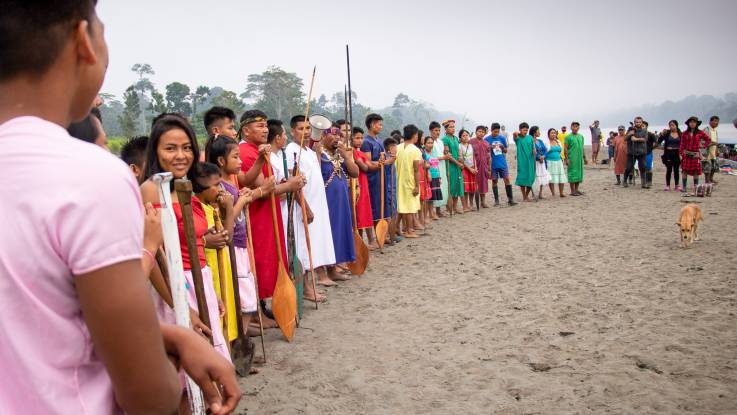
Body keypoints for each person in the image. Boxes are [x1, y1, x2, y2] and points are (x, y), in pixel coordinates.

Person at [0, 2, 239, 413]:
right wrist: (169, 367)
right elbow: (146, 394)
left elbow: (39, 322)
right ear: (83, 42)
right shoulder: (90, 177)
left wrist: (168, 335)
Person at [140, 114, 233, 361]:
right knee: (185, 370)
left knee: (210, 361)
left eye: (187, 147)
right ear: (156, 151)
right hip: (172, 287)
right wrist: (180, 305)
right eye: (170, 148)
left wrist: (212, 291)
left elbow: (194, 245)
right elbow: (155, 260)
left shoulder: (185, 184)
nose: (181, 155)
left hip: (199, 281)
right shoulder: (151, 189)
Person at [238, 110, 305, 308]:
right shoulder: (246, 152)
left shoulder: (259, 149)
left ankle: (268, 303)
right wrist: (290, 185)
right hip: (258, 216)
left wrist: (288, 183)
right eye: (260, 126)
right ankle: (259, 305)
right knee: (262, 259)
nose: (265, 130)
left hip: (270, 212)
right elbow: (264, 188)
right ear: (246, 130)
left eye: (266, 125)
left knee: (272, 258)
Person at [205, 135, 261, 332]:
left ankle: (241, 336)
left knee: (246, 291)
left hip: (240, 244)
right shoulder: (218, 188)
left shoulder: (229, 182)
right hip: (232, 247)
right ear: (221, 161)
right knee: (243, 295)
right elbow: (225, 217)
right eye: (236, 157)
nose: (240, 161)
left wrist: (242, 196)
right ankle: (239, 339)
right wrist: (242, 202)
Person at [285, 115, 335, 292]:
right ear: (292, 131)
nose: (306, 132)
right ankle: (305, 289)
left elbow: (317, 176)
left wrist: (319, 154)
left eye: (308, 128)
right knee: (303, 246)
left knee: (312, 245)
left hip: (316, 204)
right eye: (301, 128)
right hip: (302, 208)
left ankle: (310, 286)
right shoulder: (291, 151)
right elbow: (294, 183)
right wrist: (305, 207)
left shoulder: (310, 151)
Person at [319, 127, 359, 278]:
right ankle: (329, 268)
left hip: (342, 200)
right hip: (327, 200)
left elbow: (355, 173)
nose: (337, 139)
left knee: (341, 230)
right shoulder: (320, 154)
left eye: (339, 136)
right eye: (333, 135)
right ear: (323, 135)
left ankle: (337, 264)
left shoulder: (339, 154)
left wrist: (347, 157)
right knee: (330, 231)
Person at [361, 113, 393, 242]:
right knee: (376, 206)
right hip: (373, 179)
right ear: (372, 124)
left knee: (383, 205)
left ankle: (383, 235)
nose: (381, 126)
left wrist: (388, 160)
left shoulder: (379, 141)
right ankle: (375, 237)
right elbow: (368, 162)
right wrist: (384, 162)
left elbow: (383, 159)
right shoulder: (366, 142)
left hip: (382, 177)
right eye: (379, 124)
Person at [395, 124, 423, 237]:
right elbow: (416, 170)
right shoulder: (415, 150)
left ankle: (397, 227)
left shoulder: (397, 147)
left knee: (402, 205)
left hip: (398, 180)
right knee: (410, 207)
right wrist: (417, 185)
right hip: (409, 180)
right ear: (414, 135)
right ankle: (409, 230)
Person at [351, 127, 376, 247]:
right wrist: (374, 165)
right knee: (359, 213)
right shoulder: (352, 152)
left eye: (361, 138)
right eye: (357, 138)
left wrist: (381, 163)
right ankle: (360, 242)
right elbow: (365, 167)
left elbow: (370, 164)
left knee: (365, 211)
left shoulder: (360, 153)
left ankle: (371, 240)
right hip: (357, 185)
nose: (360, 140)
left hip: (364, 185)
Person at [486, 123, 517, 206]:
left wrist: (503, 147)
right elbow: (485, 152)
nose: (496, 133)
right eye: (495, 132)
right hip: (493, 163)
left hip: (502, 162)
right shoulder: (487, 139)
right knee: (494, 181)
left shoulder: (502, 138)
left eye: (498, 132)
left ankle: (510, 199)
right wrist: (490, 148)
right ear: (491, 130)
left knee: (507, 179)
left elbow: (506, 150)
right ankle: (496, 201)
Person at [679, 116, 709, 195]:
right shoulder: (684, 133)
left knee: (696, 171)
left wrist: (703, 146)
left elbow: (708, 140)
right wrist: (681, 153)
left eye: (694, 122)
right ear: (688, 123)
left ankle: (696, 188)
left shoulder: (700, 133)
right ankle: (684, 187)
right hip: (686, 154)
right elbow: (682, 144)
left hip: (695, 154)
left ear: (696, 124)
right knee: (684, 171)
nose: (692, 124)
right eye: (691, 122)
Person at [441, 120, 465, 213]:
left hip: (458, 165)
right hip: (450, 165)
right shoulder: (445, 139)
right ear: (446, 129)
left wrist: (461, 159)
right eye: (450, 127)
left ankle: (455, 206)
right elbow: (448, 154)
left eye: (454, 127)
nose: (453, 129)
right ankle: (449, 207)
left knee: (458, 185)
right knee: (451, 186)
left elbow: (458, 151)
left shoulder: (455, 138)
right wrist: (457, 163)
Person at [429, 121, 449, 216]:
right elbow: (430, 157)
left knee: (442, 187)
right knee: (435, 188)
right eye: (435, 130)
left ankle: (438, 210)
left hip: (442, 167)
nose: (437, 132)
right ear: (431, 131)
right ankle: (432, 212)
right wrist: (443, 157)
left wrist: (446, 155)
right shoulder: (429, 142)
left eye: (439, 130)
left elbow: (442, 154)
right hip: (434, 168)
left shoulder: (440, 142)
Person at [623, 117, 649, 188]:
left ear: (642, 123)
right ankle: (625, 181)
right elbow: (625, 139)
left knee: (643, 167)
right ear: (634, 123)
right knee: (629, 167)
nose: (638, 123)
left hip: (642, 152)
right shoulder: (630, 129)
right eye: (636, 122)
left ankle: (643, 183)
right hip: (632, 152)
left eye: (639, 122)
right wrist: (629, 134)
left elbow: (645, 139)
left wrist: (636, 139)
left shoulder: (644, 130)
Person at [513, 122, 535, 201]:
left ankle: (526, 195)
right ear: (520, 130)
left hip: (531, 160)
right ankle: (524, 196)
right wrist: (517, 133)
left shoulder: (530, 137)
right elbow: (514, 135)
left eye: (526, 130)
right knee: (522, 177)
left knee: (531, 177)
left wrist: (534, 150)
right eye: (524, 130)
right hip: (522, 161)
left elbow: (533, 147)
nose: (525, 131)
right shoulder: (518, 138)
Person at [470, 125, 491, 208]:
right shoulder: (470, 142)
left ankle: (483, 202)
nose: (481, 133)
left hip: (484, 167)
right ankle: (471, 204)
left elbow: (489, 157)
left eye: (483, 132)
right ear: (476, 132)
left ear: (485, 133)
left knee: (483, 184)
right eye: (479, 131)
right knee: (473, 185)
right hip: (474, 167)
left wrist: (489, 168)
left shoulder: (486, 143)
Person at [658, 120, 682, 191]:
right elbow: (659, 141)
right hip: (668, 153)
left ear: (676, 125)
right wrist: (662, 134)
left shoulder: (680, 134)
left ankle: (677, 185)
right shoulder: (667, 133)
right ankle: (667, 185)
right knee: (669, 169)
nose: (671, 126)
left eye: (673, 125)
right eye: (670, 125)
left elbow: (683, 143)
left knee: (676, 170)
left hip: (677, 153)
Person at [423, 135, 442, 220]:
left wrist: (439, 176)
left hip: (436, 175)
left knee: (433, 196)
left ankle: (431, 212)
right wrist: (428, 174)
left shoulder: (434, 152)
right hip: (428, 176)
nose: (430, 144)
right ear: (424, 144)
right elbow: (425, 165)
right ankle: (427, 214)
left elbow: (437, 164)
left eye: (432, 143)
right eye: (428, 143)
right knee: (428, 196)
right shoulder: (423, 153)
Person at [565, 121, 587, 196]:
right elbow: (565, 148)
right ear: (571, 127)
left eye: (576, 126)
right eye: (573, 126)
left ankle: (577, 190)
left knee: (579, 173)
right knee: (572, 173)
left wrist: (585, 157)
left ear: (578, 128)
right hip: (572, 158)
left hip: (579, 158)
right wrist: (566, 158)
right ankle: (572, 191)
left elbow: (582, 147)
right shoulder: (568, 137)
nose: (575, 128)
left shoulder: (581, 136)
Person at [531, 126, 552, 199]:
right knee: (535, 177)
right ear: (534, 132)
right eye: (538, 131)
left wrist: (543, 156)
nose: (539, 132)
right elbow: (531, 151)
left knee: (542, 177)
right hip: (535, 162)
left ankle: (540, 193)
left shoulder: (540, 141)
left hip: (542, 161)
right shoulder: (530, 141)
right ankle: (533, 193)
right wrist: (538, 157)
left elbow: (545, 150)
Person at [458, 129, 477, 212]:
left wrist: (475, 167)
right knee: (465, 188)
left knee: (472, 188)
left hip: (472, 167)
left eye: (467, 135)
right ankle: (465, 205)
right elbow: (461, 160)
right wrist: (469, 169)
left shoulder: (470, 146)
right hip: (465, 169)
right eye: (463, 135)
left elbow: (473, 157)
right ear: (460, 137)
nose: (465, 137)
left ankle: (471, 204)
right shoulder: (459, 146)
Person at [546, 128, 567, 197]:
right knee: (551, 178)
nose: (553, 134)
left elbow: (560, 151)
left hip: (558, 161)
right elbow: (545, 152)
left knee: (561, 177)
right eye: (552, 133)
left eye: (554, 133)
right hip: (550, 161)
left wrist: (562, 158)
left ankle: (561, 193)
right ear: (548, 134)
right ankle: (553, 193)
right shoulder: (547, 142)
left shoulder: (558, 142)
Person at [703, 115, 720, 184]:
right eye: (715, 121)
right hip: (707, 151)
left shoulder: (715, 130)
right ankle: (707, 180)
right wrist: (712, 143)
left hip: (713, 151)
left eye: (718, 122)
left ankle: (711, 179)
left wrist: (717, 150)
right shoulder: (706, 130)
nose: (717, 123)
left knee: (714, 166)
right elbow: (703, 142)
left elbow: (716, 141)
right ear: (710, 121)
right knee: (707, 167)